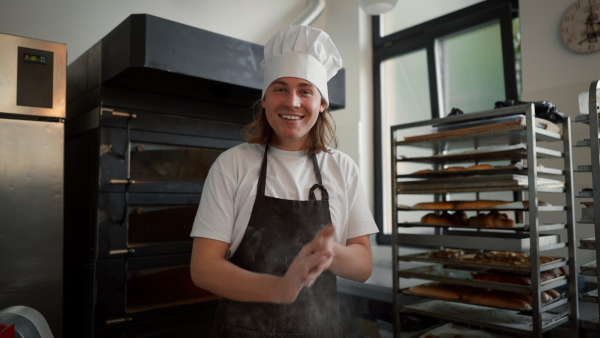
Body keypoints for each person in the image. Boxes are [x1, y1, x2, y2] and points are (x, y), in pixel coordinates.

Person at [190, 24, 379, 337]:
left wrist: (330, 251)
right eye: (280, 88)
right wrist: (280, 288)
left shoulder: (343, 169)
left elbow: (363, 267)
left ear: (322, 103)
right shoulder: (233, 165)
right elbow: (203, 268)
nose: (292, 102)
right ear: (264, 100)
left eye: (305, 90)